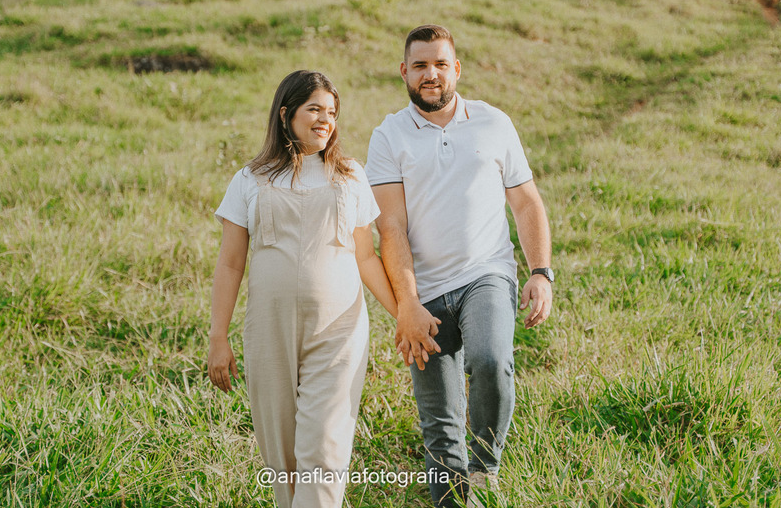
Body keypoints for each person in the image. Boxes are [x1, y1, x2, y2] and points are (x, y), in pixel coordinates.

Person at [365, 25, 553, 507]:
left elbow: (527, 204)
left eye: (441, 64)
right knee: (440, 423)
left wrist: (540, 271)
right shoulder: (388, 137)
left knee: (491, 359)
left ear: (457, 70)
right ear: (404, 71)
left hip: (485, 273)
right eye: (421, 65)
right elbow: (391, 230)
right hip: (423, 292)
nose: (432, 74)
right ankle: (452, 499)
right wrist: (407, 304)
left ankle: (486, 467)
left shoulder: (493, 123)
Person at [208, 70, 399, 508]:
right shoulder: (250, 178)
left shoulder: (350, 175)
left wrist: (403, 314)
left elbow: (366, 257)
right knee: (284, 458)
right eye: (314, 109)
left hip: (338, 330)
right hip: (268, 330)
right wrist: (218, 338)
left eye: (331, 112)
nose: (324, 120)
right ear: (285, 113)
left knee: (325, 451)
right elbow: (230, 263)